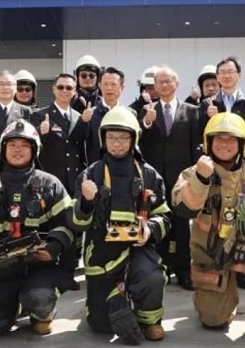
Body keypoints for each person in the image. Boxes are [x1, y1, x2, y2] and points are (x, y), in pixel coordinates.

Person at [171, 112, 245, 345]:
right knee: (213, 320)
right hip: (211, 253)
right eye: (219, 138)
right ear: (208, 142)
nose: (224, 144)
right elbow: (183, 209)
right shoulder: (193, 173)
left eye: (231, 139)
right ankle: (219, 299)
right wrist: (201, 180)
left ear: (242, 145)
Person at [0, 120, 75, 337]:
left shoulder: (50, 184)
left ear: (34, 150)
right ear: (3, 149)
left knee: (39, 298)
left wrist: (55, 246)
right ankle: (16, 304)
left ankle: (41, 313)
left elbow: (68, 224)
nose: (17, 150)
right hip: (3, 268)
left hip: (40, 268)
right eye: (12, 145)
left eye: (24, 145)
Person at [72, 107, 171, 344]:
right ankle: (110, 299)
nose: (117, 143)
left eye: (123, 137)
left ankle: (149, 320)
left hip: (138, 249)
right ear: (103, 139)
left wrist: (149, 229)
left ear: (134, 139)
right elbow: (77, 223)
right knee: (101, 326)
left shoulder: (149, 175)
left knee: (152, 276)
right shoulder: (90, 175)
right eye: (112, 137)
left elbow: (165, 217)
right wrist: (86, 202)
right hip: (102, 253)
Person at [138, 66, 199, 290]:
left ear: (177, 84)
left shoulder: (192, 111)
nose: (164, 85)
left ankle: (184, 271)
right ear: (154, 86)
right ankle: (160, 268)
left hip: (182, 178)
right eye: (159, 82)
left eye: (168, 81)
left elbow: (195, 146)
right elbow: (140, 144)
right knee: (157, 223)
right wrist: (146, 124)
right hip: (155, 179)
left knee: (182, 226)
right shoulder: (146, 111)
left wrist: (195, 176)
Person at [199, 56, 245, 166]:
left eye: (230, 72)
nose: (226, 76)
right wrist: (209, 118)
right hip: (214, 164)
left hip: (243, 163)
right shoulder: (207, 104)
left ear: (239, 75)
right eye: (222, 72)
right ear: (217, 77)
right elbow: (201, 135)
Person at [31, 73, 88, 196]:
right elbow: (32, 146)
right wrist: (41, 132)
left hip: (74, 182)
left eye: (69, 88)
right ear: (54, 89)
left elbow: (82, 145)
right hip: (49, 182)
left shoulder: (79, 117)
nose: (64, 91)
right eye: (60, 87)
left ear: (74, 91)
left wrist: (84, 122)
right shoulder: (40, 115)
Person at [84, 67, 132, 164]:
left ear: (122, 87)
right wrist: (82, 121)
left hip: (124, 167)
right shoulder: (90, 114)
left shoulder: (130, 114)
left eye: (113, 84)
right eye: (105, 84)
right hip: (97, 168)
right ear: (100, 86)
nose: (109, 88)